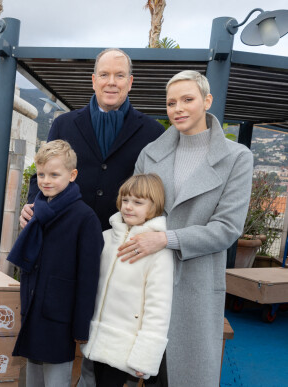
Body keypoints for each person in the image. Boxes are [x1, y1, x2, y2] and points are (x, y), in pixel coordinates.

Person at [117, 70, 253, 386]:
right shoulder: (150, 154)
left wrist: (167, 238)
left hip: (195, 285)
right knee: (135, 372)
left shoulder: (237, 158)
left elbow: (227, 228)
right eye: (170, 103)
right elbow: (131, 213)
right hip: (145, 283)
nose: (178, 108)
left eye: (187, 100)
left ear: (207, 101)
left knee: (182, 375)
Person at [21, 48, 165, 232]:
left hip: (123, 244)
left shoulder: (153, 132)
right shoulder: (63, 125)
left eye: (119, 75)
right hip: (64, 234)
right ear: (94, 81)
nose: (111, 82)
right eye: (104, 74)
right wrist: (32, 203)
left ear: (130, 83)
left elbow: (158, 191)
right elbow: (42, 173)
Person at [7, 140, 104, 387]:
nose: (46, 180)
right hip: (33, 308)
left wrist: (81, 328)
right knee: (33, 378)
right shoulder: (37, 210)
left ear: (72, 176)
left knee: (56, 379)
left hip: (61, 315)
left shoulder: (85, 218)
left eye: (54, 174)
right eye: (41, 174)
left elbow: (88, 277)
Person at [81, 173, 173, 387]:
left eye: (138, 202)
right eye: (125, 200)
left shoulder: (159, 254)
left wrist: (146, 356)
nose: (129, 207)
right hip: (96, 340)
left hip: (125, 347)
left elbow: (158, 308)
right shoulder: (105, 238)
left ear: (154, 207)